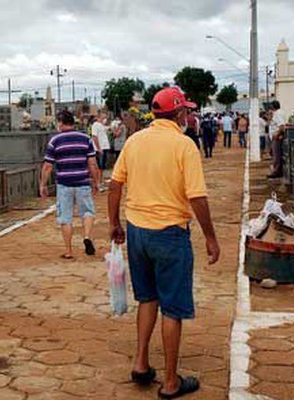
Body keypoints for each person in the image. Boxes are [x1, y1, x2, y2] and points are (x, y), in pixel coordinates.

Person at [108, 87, 220, 399]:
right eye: (186, 110)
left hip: (137, 232)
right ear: (180, 114)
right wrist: (210, 237)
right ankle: (171, 382)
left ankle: (141, 362)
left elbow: (115, 185)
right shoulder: (184, 146)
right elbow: (197, 197)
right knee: (172, 307)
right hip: (170, 233)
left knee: (147, 298)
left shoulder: (134, 141)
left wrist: (115, 224)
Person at [40, 110, 99, 259]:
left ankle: (68, 251)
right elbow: (92, 163)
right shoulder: (86, 139)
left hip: (64, 184)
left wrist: (42, 184)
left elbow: (48, 166)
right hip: (82, 181)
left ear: (60, 122)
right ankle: (86, 236)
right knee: (87, 212)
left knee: (65, 217)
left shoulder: (55, 141)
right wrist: (96, 181)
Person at [91, 111, 110, 191]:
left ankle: (100, 182)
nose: (105, 117)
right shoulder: (95, 125)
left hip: (104, 147)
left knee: (102, 167)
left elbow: (108, 128)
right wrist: (99, 148)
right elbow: (94, 137)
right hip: (100, 148)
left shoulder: (102, 125)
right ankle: (97, 183)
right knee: (98, 167)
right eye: (103, 116)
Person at [268, 100, 287, 178]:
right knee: (275, 154)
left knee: (276, 155)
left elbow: (281, 126)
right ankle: (277, 170)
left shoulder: (277, 114)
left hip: (277, 137)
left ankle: (277, 171)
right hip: (275, 137)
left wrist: (278, 134)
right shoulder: (278, 113)